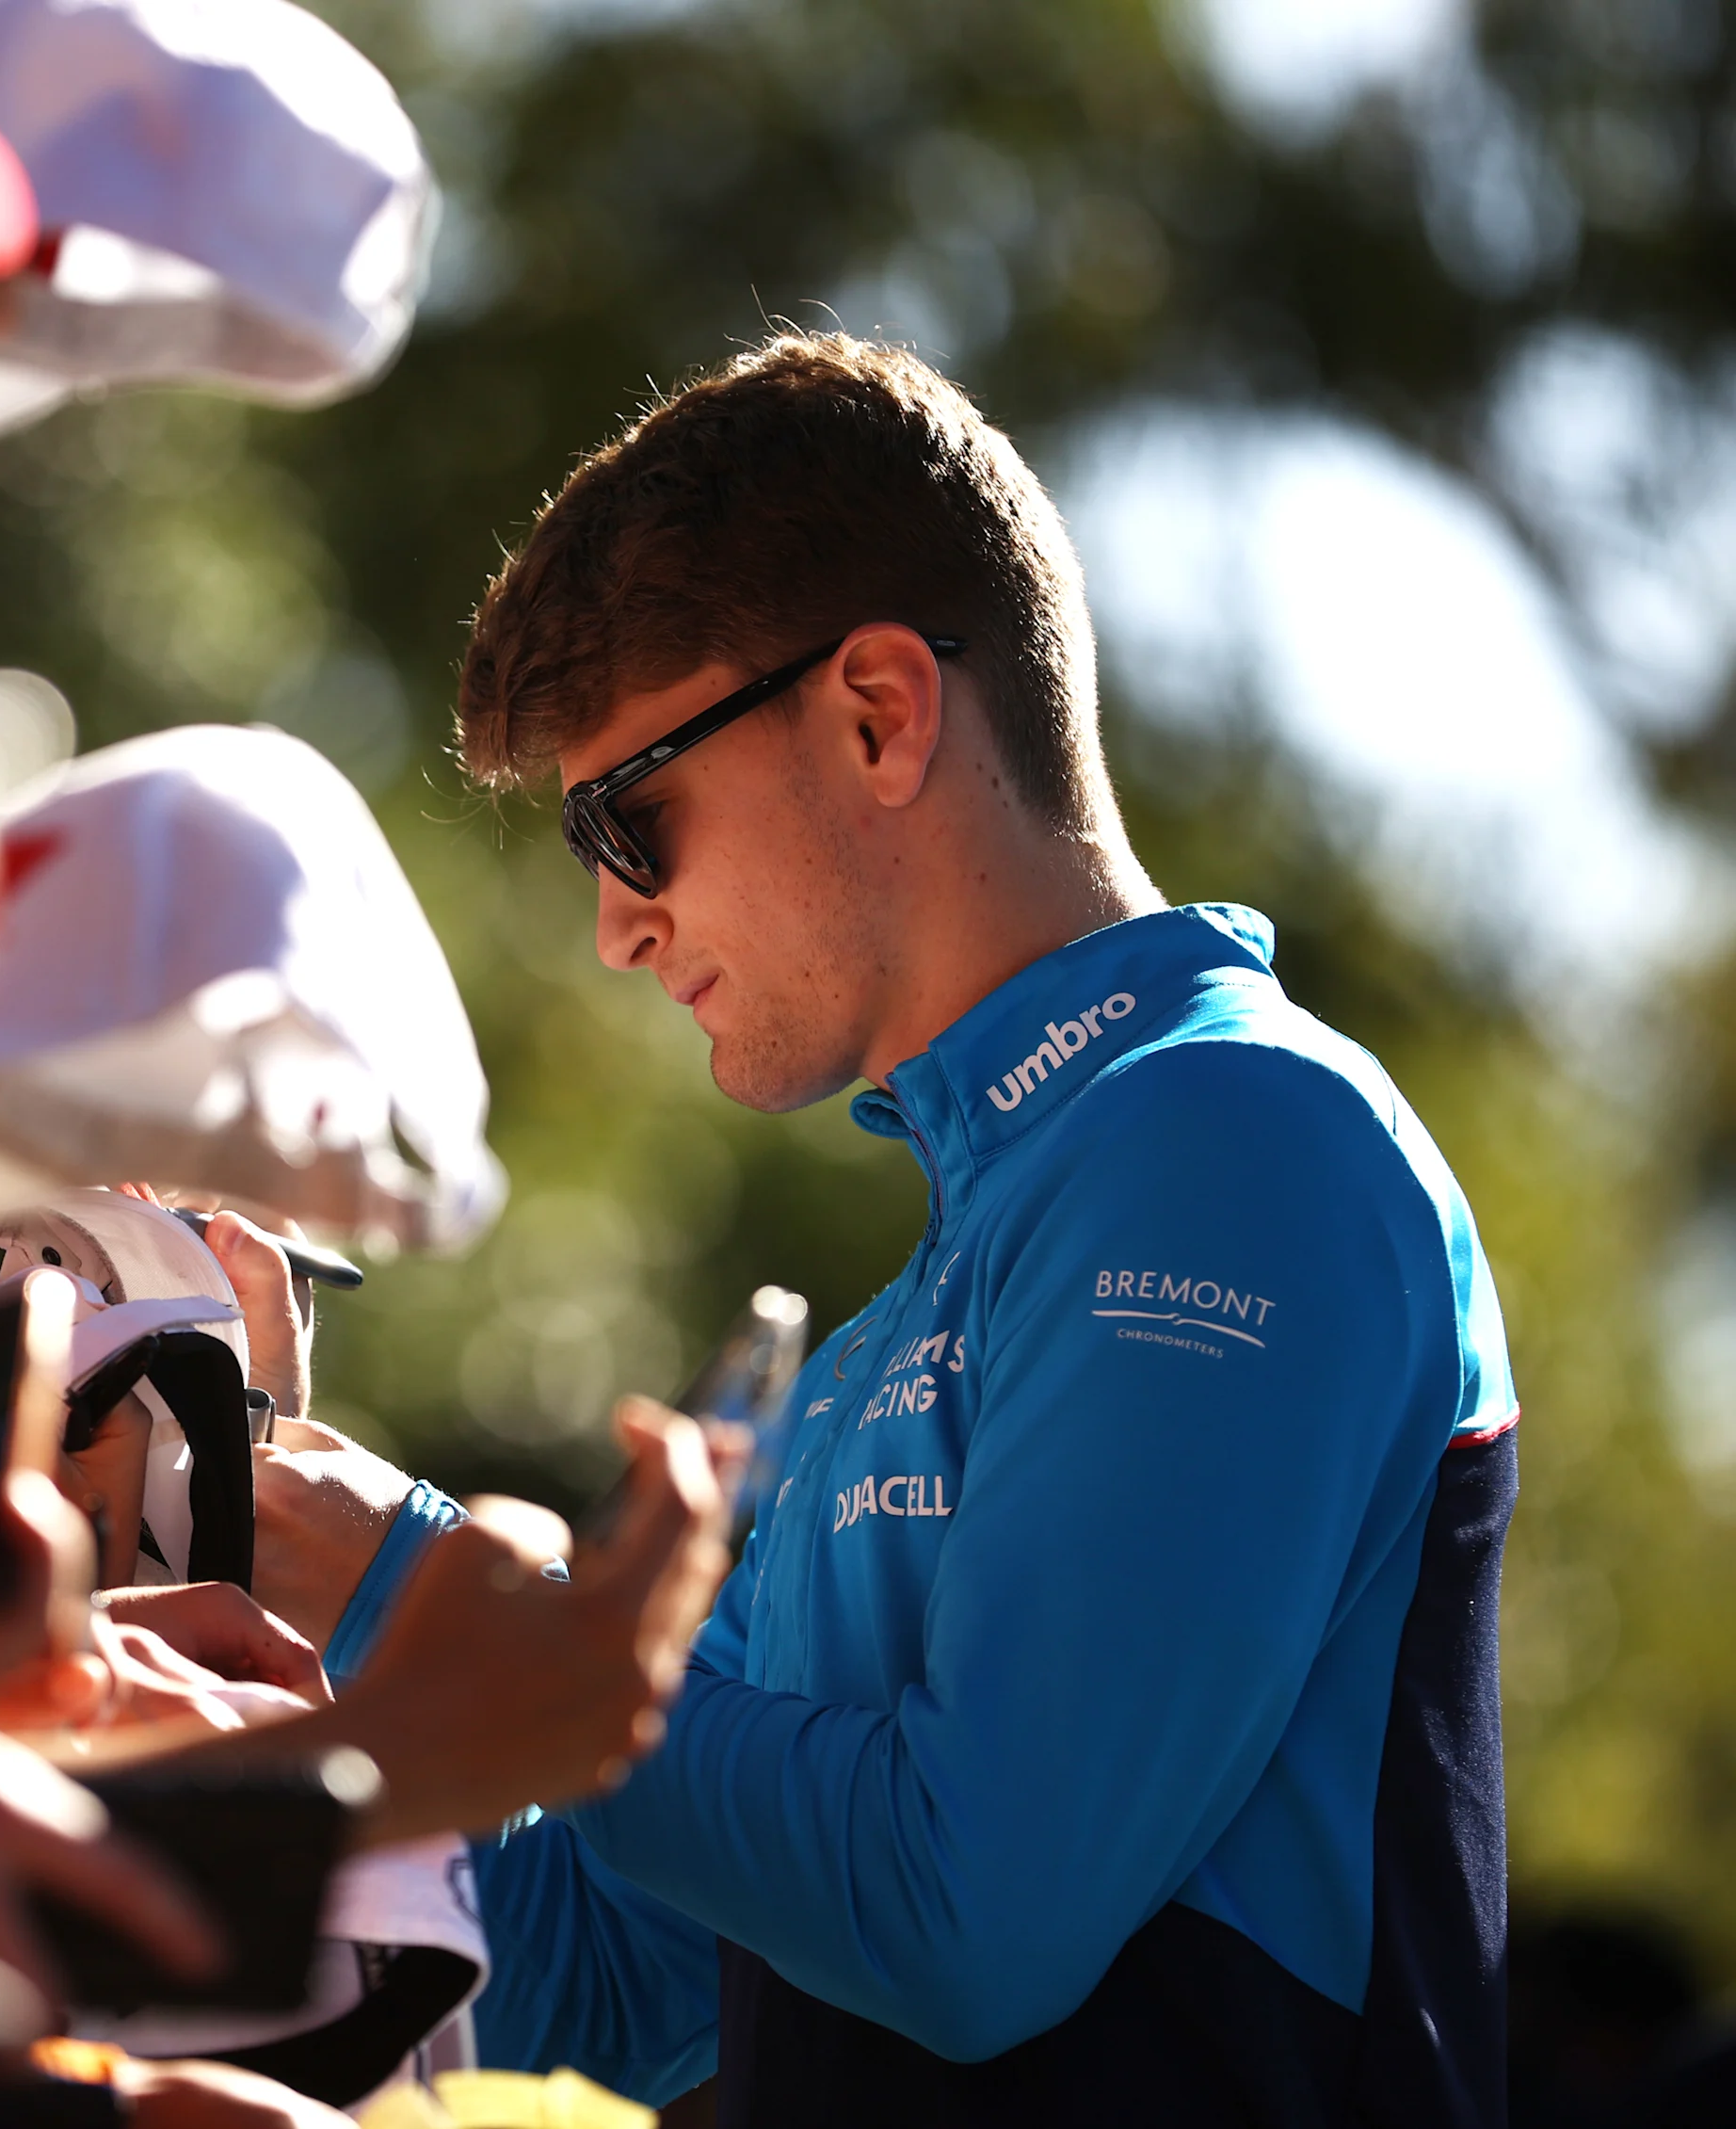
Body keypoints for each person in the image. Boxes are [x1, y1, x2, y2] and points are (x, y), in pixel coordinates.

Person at [276, 334, 1520, 2123]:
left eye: (634, 823)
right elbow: (592, 1973)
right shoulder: (892, 1328)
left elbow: (965, 1914)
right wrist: (236, 1633)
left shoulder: (1243, 1139)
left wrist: (403, 1570)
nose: (619, 929)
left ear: (878, 708)